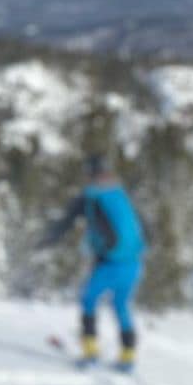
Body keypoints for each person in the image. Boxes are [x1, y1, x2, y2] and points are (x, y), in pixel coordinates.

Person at [40, 154, 147, 371]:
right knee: (121, 306)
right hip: (134, 263)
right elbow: (144, 227)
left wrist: (46, 241)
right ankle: (128, 356)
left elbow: (65, 223)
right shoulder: (121, 193)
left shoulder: (90, 197)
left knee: (88, 300)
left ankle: (90, 352)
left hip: (109, 263)